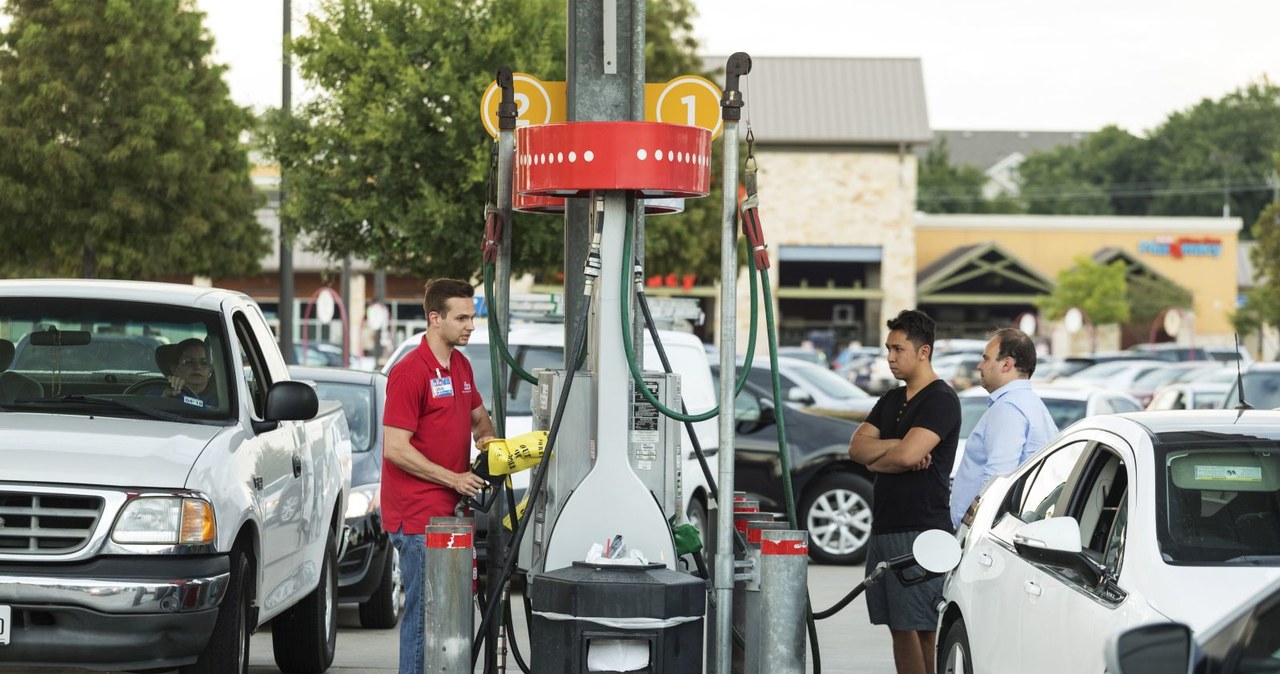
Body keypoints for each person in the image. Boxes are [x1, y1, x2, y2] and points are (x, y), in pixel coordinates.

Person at [382, 278, 496, 674]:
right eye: (461, 317)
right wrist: (452, 478)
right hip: (415, 517)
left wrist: (487, 439)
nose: (470, 325)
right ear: (435, 318)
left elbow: (480, 420)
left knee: (448, 617)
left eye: (472, 316)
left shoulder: (461, 366)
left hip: (451, 513)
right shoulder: (409, 373)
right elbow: (395, 448)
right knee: (425, 617)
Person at [848, 309, 959, 674]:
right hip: (885, 527)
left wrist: (889, 454)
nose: (890, 358)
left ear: (923, 351)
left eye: (898, 349)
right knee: (898, 626)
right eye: (888, 349)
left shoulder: (941, 399)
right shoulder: (892, 400)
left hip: (922, 528)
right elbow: (857, 449)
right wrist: (894, 450)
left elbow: (911, 454)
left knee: (922, 627)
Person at [950, 327, 1058, 528]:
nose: (980, 365)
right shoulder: (1029, 403)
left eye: (986, 358)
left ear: (1007, 364)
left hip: (983, 533)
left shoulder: (1009, 407)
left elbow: (997, 478)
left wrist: (968, 529)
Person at [157, 338, 218, 407]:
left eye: (204, 363)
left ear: (210, 369)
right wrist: (164, 400)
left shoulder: (224, 400)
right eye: (189, 362)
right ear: (174, 368)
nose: (198, 367)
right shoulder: (157, 394)